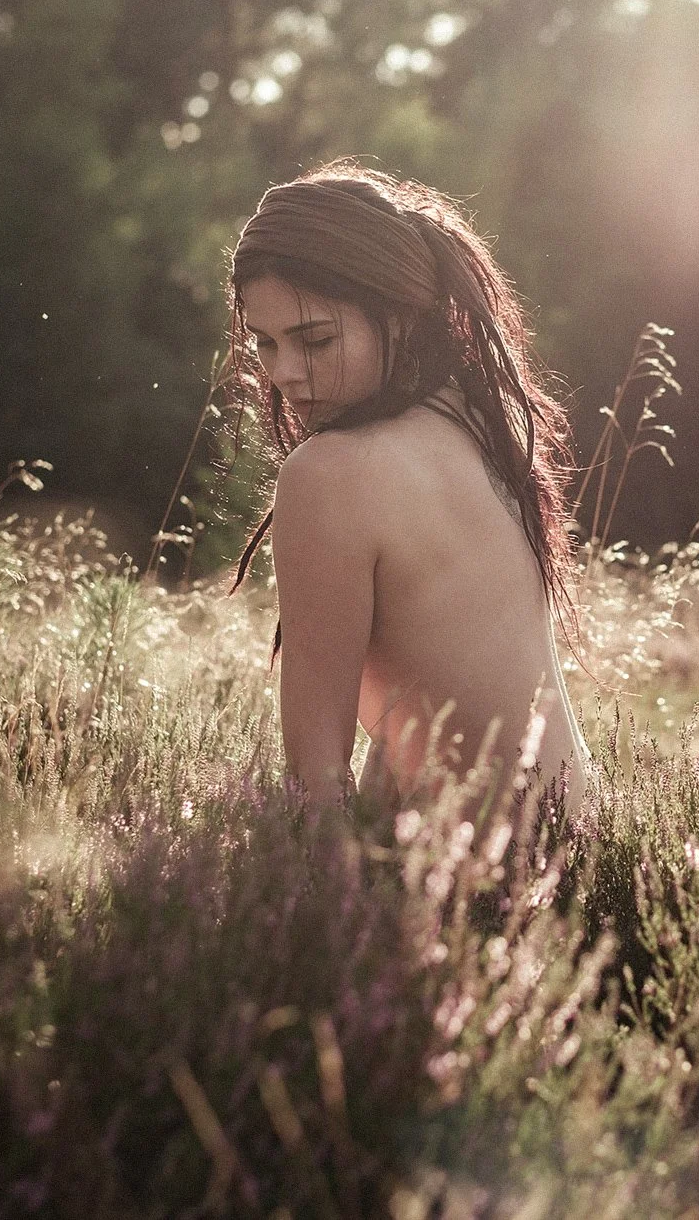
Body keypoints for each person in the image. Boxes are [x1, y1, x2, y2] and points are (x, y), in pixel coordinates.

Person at [226, 160, 594, 819]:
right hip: (581, 836)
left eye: (315, 340)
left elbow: (315, 778)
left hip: (476, 864)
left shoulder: (328, 474)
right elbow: (426, 706)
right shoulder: (479, 422)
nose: (284, 373)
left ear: (397, 316)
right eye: (265, 343)